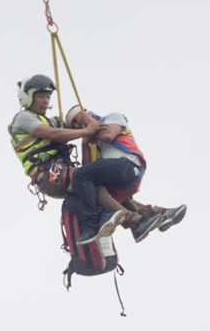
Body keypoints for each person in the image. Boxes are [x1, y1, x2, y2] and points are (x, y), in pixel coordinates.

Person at [8, 74, 132, 235]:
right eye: (40, 96)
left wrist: (102, 124)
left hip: (59, 172)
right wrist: (86, 130)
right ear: (27, 97)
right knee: (88, 180)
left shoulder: (51, 121)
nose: (45, 101)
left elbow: (72, 123)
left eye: (47, 96)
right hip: (48, 176)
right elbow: (52, 134)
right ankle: (115, 220)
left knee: (101, 187)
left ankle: (145, 215)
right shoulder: (23, 118)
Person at [65, 104, 187, 245]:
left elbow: (107, 135)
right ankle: (147, 219)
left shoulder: (112, 117)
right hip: (121, 178)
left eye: (77, 119)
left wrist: (88, 121)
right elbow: (87, 171)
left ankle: (91, 225)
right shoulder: (94, 140)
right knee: (95, 190)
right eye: (75, 125)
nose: (78, 125)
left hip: (127, 165)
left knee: (80, 175)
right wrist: (85, 141)